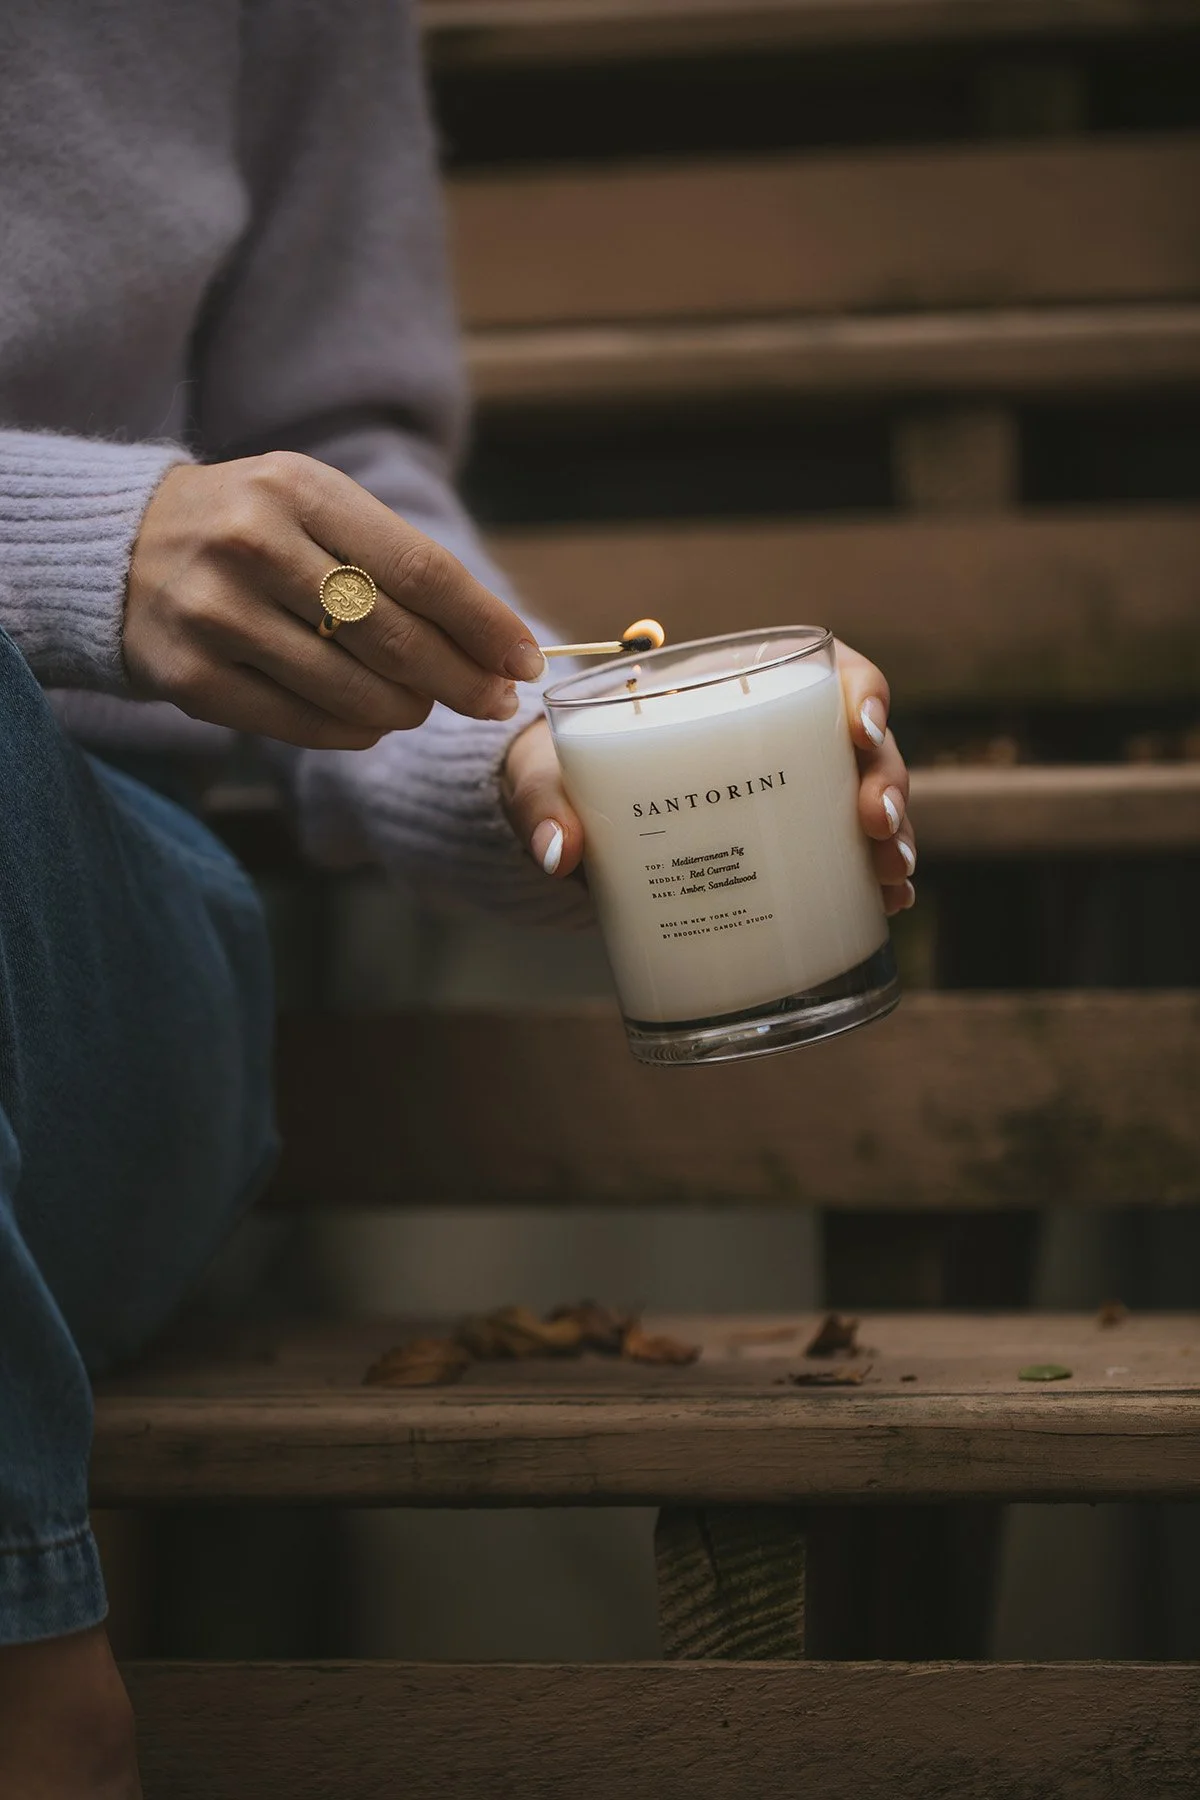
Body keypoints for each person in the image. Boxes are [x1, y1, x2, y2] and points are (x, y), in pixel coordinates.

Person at [0, 2, 916, 1791]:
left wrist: (513, 743)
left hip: (84, 966)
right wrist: (85, 544)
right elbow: (151, 531)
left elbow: (334, 454)